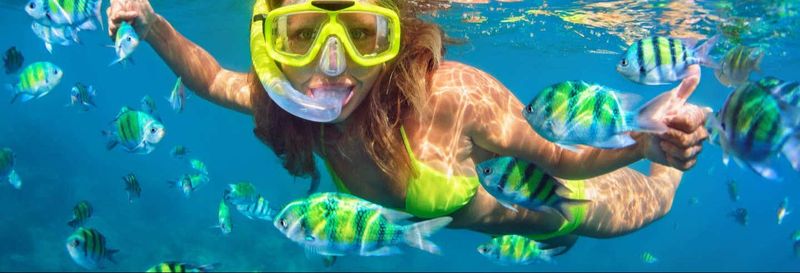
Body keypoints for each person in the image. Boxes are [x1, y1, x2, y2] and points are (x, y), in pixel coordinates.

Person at [106, 0, 709, 252]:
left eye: (361, 34)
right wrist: (151, 22)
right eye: (303, 34)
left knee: (655, 200)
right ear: (274, 44)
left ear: (391, 38)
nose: (331, 66)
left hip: (558, 208)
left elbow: (563, 159)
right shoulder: (292, 108)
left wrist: (647, 145)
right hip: (502, 227)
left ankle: (679, 125)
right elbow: (212, 80)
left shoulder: (452, 98)